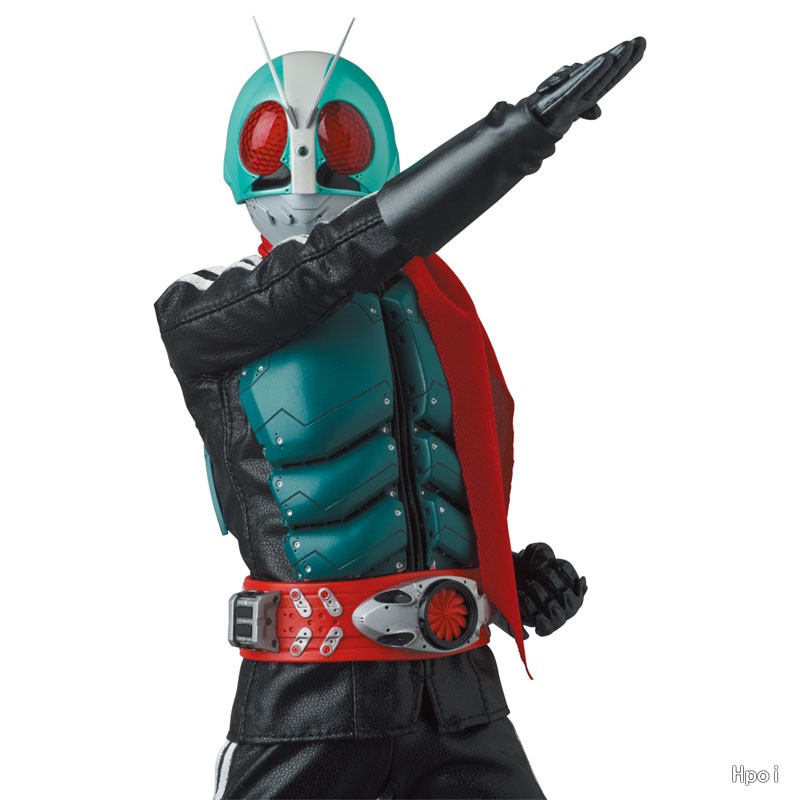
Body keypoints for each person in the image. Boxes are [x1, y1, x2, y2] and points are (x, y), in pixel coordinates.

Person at [155, 30, 645, 800]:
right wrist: (509, 141)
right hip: (309, 703)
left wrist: (503, 577)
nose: (304, 177)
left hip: (459, 696)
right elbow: (328, 266)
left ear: (375, 149)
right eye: (272, 145)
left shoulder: (434, 308)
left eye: (338, 141)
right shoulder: (206, 311)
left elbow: (426, 472)